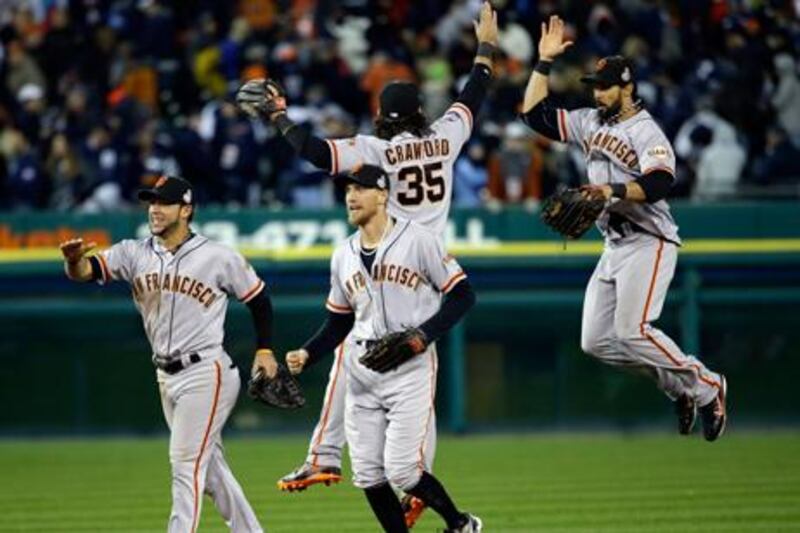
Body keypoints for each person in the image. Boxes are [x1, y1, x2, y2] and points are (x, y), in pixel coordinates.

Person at [236, 1, 498, 524]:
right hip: (423, 258)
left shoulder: (375, 152)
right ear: (421, 113)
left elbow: (314, 152)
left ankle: (351, 463)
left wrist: (280, 117)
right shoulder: (445, 137)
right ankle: (336, 459)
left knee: (371, 349)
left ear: (382, 117)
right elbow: (474, 93)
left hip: (405, 257)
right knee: (355, 349)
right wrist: (486, 47)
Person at [520, 16, 727, 441]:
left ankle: (707, 386)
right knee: (596, 341)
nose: (597, 93)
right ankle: (679, 387)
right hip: (613, 247)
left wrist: (608, 190)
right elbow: (534, 116)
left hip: (650, 241)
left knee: (634, 331)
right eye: (594, 85)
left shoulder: (645, 130)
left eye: (604, 86)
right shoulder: (590, 121)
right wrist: (542, 64)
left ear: (627, 87)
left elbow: (660, 182)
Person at [59, 175, 275, 532]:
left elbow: (259, 300)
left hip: (207, 372)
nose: (155, 209)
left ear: (186, 210)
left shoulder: (217, 256)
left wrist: (265, 350)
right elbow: (86, 271)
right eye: (151, 202)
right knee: (211, 473)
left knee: (185, 464)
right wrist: (72, 262)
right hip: (166, 376)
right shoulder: (134, 252)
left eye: (164, 202)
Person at [285, 165, 481, 533]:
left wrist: (423, 334)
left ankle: (461, 525)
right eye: (347, 190)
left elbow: (462, 295)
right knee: (368, 474)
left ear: (382, 195)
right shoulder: (342, 253)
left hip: (410, 367)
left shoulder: (419, 240)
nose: (351, 196)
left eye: (360, 189)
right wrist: (308, 353)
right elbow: (339, 321)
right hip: (362, 368)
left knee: (404, 471)